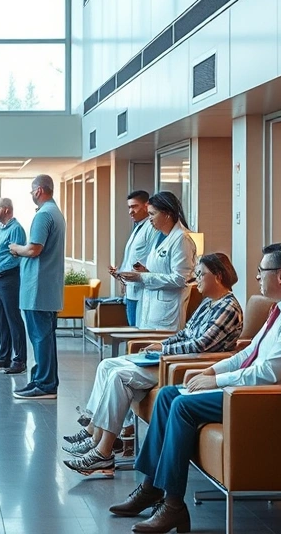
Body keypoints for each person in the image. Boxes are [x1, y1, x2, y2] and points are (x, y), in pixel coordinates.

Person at [111, 243, 281, 533]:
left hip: (279, 401)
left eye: (261, 271)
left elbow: (268, 373)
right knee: (169, 395)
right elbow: (248, 354)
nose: (257, 277)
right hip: (257, 393)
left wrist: (215, 382)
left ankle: (173, 506)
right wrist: (212, 370)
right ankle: (151, 487)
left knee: (181, 405)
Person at [63, 253, 243, 478]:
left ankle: (102, 449)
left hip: (187, 365)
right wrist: (162, 343)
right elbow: (186, 333)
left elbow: (202, 344)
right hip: (174, 357)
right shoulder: (209, 303)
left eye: (201, 273)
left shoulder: (228, 307)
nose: (196, 278)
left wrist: (165, 351)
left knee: (119, 377)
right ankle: (94, 435)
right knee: (107, 365)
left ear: (217, 276)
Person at [10, 174, 66, 400]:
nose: (32, 195)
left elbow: (34, 249)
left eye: (32, 191)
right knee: (45, 337)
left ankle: (44, 384)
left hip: (38, 289)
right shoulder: (56, 213)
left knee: (41, 337)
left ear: (39, 190)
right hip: (47, 288)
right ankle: (44, 380)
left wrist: (16, 248)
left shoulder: (44, 215)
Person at [116, 191, 196, 331]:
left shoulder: (181, 239)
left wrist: (143, 277)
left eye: (153, 214)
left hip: (167, 313)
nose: (150, 219)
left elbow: (181, 279)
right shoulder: (160, 237)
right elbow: (160, 271)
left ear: (167, 214)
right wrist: (145, 272)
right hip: (149, 308)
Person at [0, 197, 28, 375]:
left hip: (8, 279)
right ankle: (4, 357)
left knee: (13, 319)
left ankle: (20, 360)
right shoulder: (1, 230)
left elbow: (14, 257)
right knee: (1, 320)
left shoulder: (16, 229)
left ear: (7, 210)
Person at [109, 190, 158, 326]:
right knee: (133, 329)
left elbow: (151, 259)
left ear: (146, 205)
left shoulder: (151, 227)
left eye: (134, 206)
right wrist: (120, 273)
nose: (131, 211)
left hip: (142, 290)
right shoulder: (138, 228)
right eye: (129, 207)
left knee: (138, 333)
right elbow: (134, 257)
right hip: (131, 289)